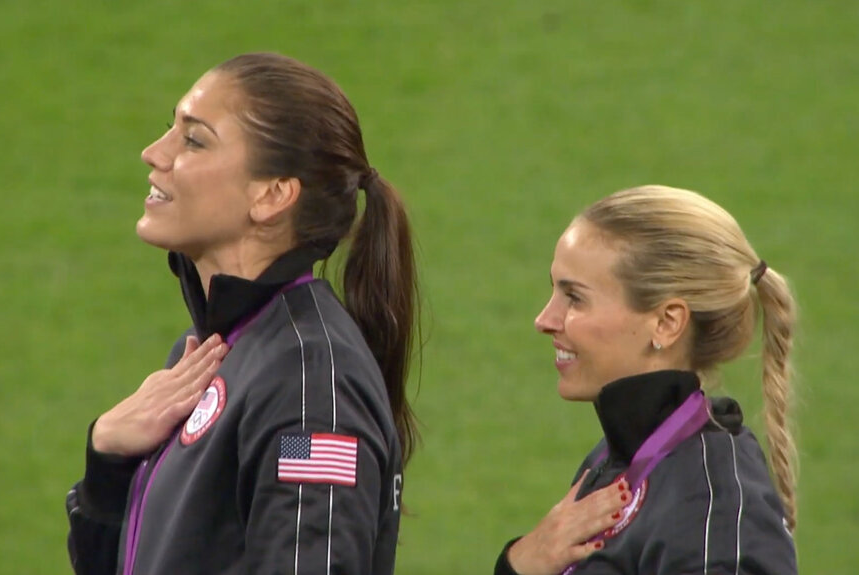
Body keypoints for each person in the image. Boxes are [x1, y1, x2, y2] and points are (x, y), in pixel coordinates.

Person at [65, 52, 419, 575]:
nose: (153, 153)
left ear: (272, 195)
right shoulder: (215, 353)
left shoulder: (311, 381)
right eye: (172, 129)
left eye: (193, 139)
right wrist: (109, 460)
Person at [494, 185, 798, 575]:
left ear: (667, 323)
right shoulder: (618, 455)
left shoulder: (712, 513)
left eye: (574, 298)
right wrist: (519, 564)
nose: (544, 320)